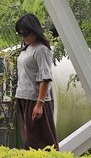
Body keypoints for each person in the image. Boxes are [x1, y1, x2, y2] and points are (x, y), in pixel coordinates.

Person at [14, 13, 59, 150]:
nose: (24, 37)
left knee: (42, 140)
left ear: (34, 31)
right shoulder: (26, 49)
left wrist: (39, 104)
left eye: (26, 34)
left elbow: (45, 77)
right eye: (21, 34)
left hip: (35, 99)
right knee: (28, 139)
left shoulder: (41, 50)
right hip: (22, 97)